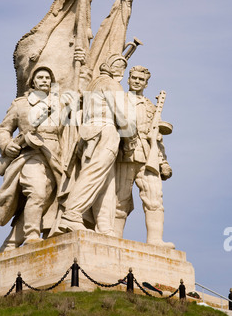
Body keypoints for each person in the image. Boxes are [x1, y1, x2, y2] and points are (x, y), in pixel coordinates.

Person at [56, 54, 136, 236]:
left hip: (89, 135)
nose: (121, 70)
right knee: (94, 175)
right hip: (105, 131)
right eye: (117, 66)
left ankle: (104, 227)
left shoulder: (93, 85)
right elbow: (121, 114)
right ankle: (72, 213)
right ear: (108, 67)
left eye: (122, 67)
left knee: (106, 182)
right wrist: (130, 137)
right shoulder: (111, 84)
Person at [0, 66, 64, 251]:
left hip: (55, 158)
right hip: (30, 155)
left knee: (44, 202)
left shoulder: (60, 104)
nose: (44, 80)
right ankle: (32, 235)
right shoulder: (21, 104)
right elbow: (3, 130)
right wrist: (7, 145)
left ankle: (10, 244)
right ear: (33, 81)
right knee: (37, 193)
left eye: (48, 78)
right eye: (40, 77)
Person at [115, 65, 175, 248]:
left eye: (141, 80)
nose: (137, 82)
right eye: (134, 78)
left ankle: (155, 240)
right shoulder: (119, 100)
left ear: (146, 84)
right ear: (128, 79)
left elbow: (157, 137)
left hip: (148, 155)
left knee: (154, 198)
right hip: (124, 154)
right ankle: (114, 239)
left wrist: (163, 161)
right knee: (119, 200)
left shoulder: (151, 106)